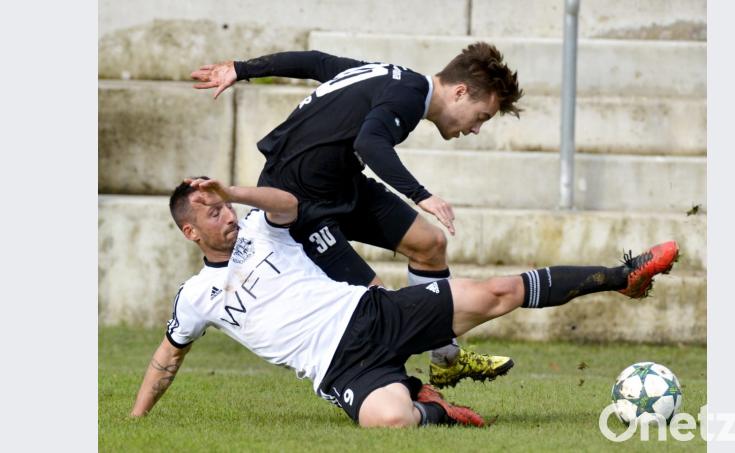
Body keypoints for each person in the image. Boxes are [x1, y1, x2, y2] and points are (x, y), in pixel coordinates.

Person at [130, 177, 679, 427]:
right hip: (338, 367)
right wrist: (136, 420)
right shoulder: (195, 297)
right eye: (210, 212)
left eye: (221, 206)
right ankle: (429, 404)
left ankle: (624, 275)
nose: (223, 216)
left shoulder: (258, 227)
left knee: (498, 292)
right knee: (390, 421)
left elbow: (288, 202)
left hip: (372, 313)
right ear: (189, 232)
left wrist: (234, 191)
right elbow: (167, 357)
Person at [190, 43, 525, 388]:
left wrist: (243, 68)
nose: (475, 129)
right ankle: (395, 392)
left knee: (429, 243)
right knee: (376, 304)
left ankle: (445, 360)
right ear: (460, 92)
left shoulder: (394, 77)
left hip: (342, 183)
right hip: (300, 203)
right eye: (481, 117)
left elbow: (318, 62)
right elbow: (370, 143)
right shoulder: (407, 97)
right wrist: (420, 195)